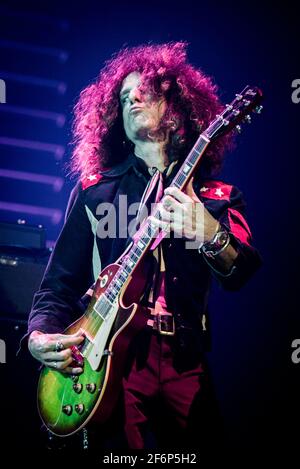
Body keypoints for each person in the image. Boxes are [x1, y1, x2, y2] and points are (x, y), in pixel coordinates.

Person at [26, 42, 261, 452]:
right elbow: (58, 285)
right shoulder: (95, 193)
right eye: (123, 95)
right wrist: (38, 335)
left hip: (184, 359)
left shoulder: (217, 195)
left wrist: (208, 232)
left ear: (178, 108)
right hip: (110, 355)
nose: (131, 97)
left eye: (146, 91)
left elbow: (243, 271)